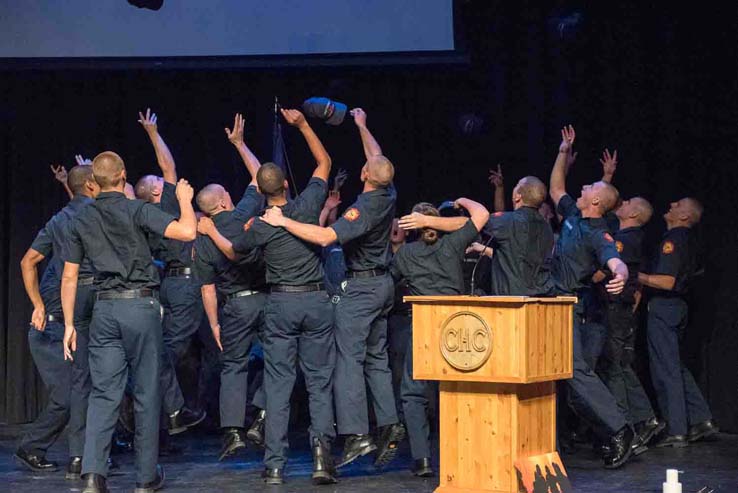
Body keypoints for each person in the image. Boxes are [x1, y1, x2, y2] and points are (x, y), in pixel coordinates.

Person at [258, 108, 405, 469]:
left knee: (347, 359)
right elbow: (377, 157)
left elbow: (325, 236)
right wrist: (362, 126)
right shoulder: (389, 192)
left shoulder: (364, 209)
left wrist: (283, 220)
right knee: (376, 358)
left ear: (363, 175)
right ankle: (389, 423)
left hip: (362, 288)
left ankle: (357, 434)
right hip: (384, 285)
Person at [206, 108, 338, 485]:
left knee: (278, 384)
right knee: (318, 382)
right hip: (315, 303)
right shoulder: (309, 205)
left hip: (281, 304)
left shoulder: (261, 225)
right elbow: (324, 161)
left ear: (261, 192)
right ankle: (321, 460)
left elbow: (233, 251)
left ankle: (275, 465)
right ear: (284, 187)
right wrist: (302, 125)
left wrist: (225, 232)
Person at [61, 151, 197, 493]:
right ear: (123, 175)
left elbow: (69, 276)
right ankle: (146, 477)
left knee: (104, 393)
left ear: (93, 181)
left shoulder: (81, 218)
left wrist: (68, 325)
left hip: (103, 310)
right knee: (147, 392)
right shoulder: (137, 209)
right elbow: (187, 232)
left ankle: (93, 475)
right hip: (139, 308)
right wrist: (184, 200)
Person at [547, 125, 634, 469]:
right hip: (553, 305)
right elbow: (555, 186)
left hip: (572, 306)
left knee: (576, 372)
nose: (582, 187)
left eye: (590, 187)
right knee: (568, 378)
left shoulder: (598, 233)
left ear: (595, 201)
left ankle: (620, 428)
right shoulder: (572, 215)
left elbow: (615, 261)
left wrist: (621, 275)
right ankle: (610, 430)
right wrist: (563, 150)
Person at [392, 198, 489, 477]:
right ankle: (465, 452)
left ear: (413, 226)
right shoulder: (452, 245)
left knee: (413, 393)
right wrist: (462, 201)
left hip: (423, 323)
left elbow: (391, 280)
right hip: (456, 325)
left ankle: (422, 459)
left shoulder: (405, 255)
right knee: (458, 390)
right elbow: (481, 214)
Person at [191, 113, 268, 461]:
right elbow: (258, 176)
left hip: (233, 307)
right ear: (222, 201)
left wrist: (215, 323)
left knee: (233, 366)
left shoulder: (202, 238)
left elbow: (207, 288)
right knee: (281, 359)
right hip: (266, 300)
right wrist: (239, 144)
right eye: (226, 193)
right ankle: (263, 413)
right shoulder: (241, 216)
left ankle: (233, 431)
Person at [16, 165, 99, 478]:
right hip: (51, 328)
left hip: (67, 323)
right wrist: (37, 305)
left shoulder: (61, 220)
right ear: (92, 185)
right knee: (70, 395)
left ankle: (92, 450)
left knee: (84, 390)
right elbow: (28, 262)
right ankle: (32, 446)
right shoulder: (91, 216)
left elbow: (28, 261)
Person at [135, 108, 206, 436]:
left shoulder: (139, 212)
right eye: (156, 182)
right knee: (166, 353)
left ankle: (168, 414)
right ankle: (166, 411)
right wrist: (152, 133)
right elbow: (168, 166)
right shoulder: (163, 204)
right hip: (184, 283)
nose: (161, 180)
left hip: (169, 284)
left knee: (180, 352)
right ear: (155, 192)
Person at [594, 150, 664, 454]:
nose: (622, 204)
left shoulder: (629, 239)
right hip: (616, 309)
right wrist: (607, 176)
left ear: (635, 214)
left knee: (614, 367)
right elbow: (602, 203)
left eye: (628, 204)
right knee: (617, 365)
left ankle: (632, 424)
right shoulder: (619, 229)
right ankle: (642, 420)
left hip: (616, 310)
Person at [638, 198, 718, 447]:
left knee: (666, 369)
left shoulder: (675, 240)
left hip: (665, 305)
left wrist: (634, 275)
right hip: (677, 308)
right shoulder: (687, 240)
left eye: (679, 204)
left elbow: (667, 281)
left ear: (684, 217)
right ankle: (701, 419)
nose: (671, 204)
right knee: (675, 366)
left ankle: (676, 429)